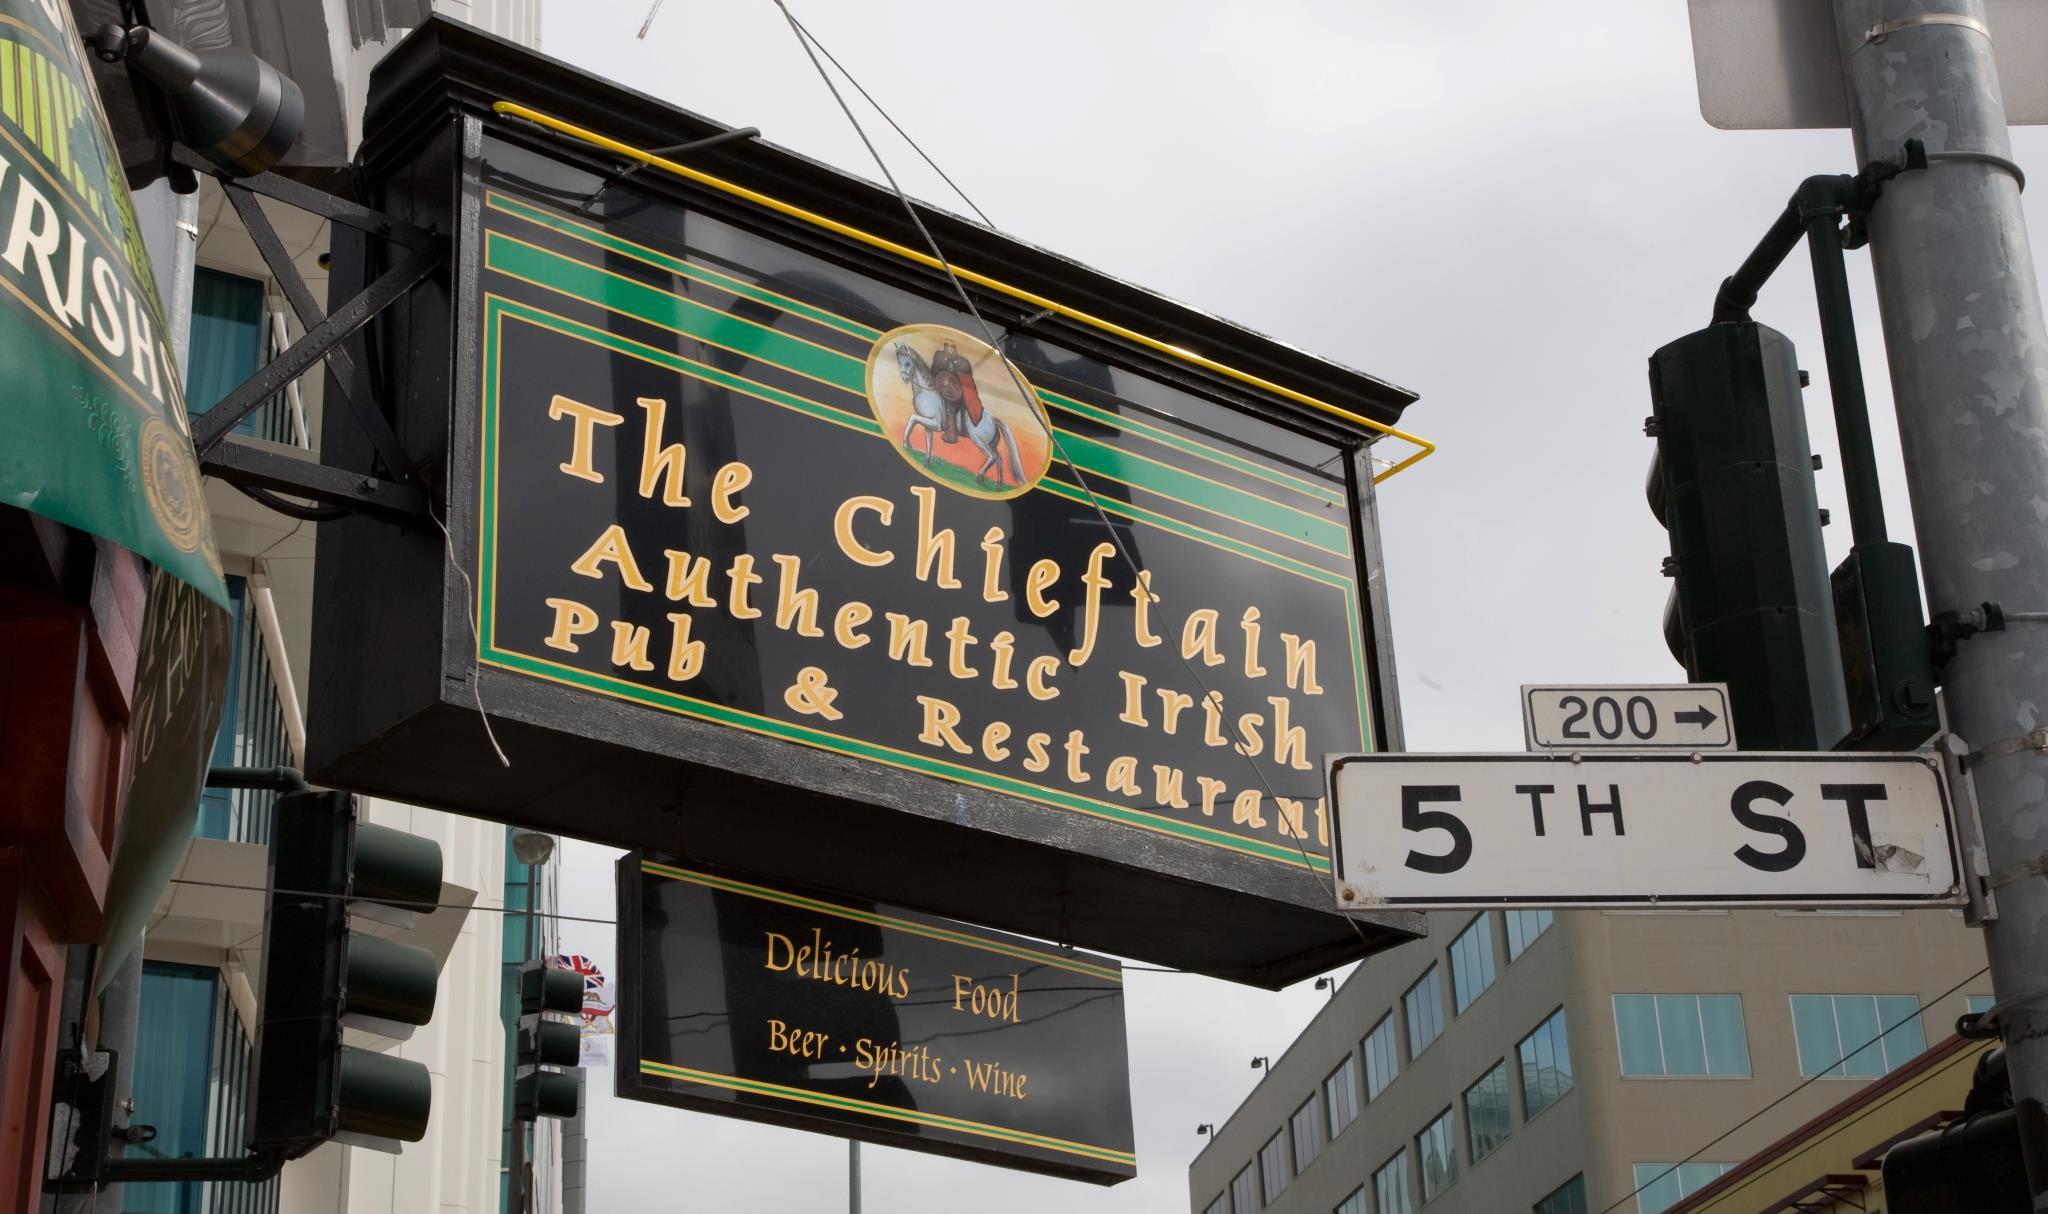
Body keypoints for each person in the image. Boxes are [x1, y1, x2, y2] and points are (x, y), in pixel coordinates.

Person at [928, 340, 980, 443]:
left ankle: (951, 435)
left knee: (950, 407)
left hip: (957, 392)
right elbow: (934, 371)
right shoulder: (939, 357)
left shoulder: (963, 363)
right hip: (942, 388)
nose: (949, 349)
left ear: (955, 349)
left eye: (952, 347)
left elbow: (967, 381)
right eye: (947, 347)